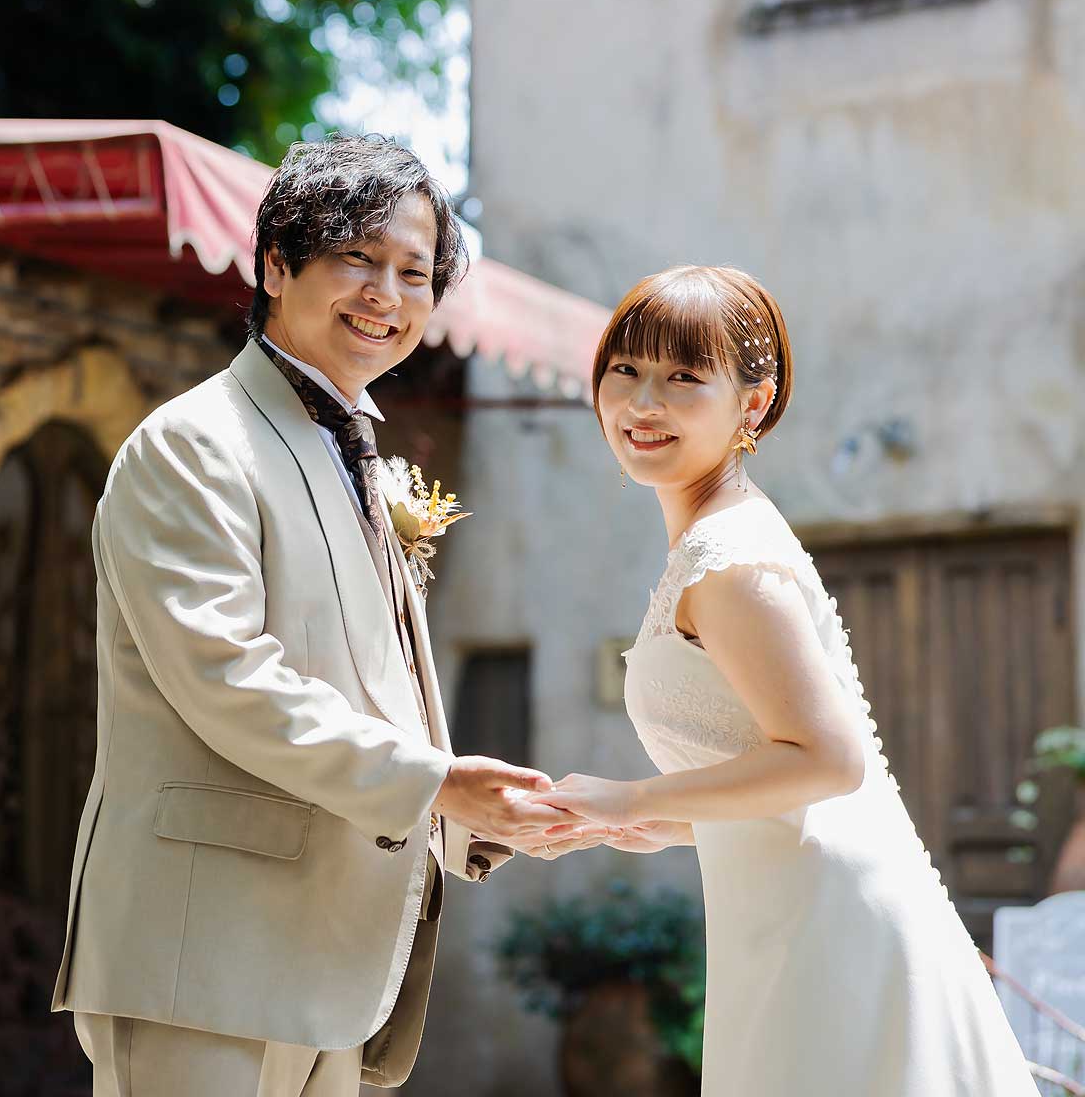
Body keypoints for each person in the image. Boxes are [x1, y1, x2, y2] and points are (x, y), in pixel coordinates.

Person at [53, 135, 585, 1097]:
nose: (386, 294)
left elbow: (376, 680)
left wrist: (471, 817)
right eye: (355, 257)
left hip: (335, 965)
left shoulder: (356, 454)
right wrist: (435, 786)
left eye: (414, 273)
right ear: (275, 266)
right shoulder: (193, 445)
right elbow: (228, 678)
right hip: (204, 959)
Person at [550, 264, 1038, 1097]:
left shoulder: (727, 560)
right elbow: (777, 775)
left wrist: (630, 799)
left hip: (826, 926)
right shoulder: (716, 538)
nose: (643, 402)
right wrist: (672, 824)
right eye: (624, 369)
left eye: (683, 377)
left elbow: (827, 761)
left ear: (754, 403)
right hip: (787, 909)